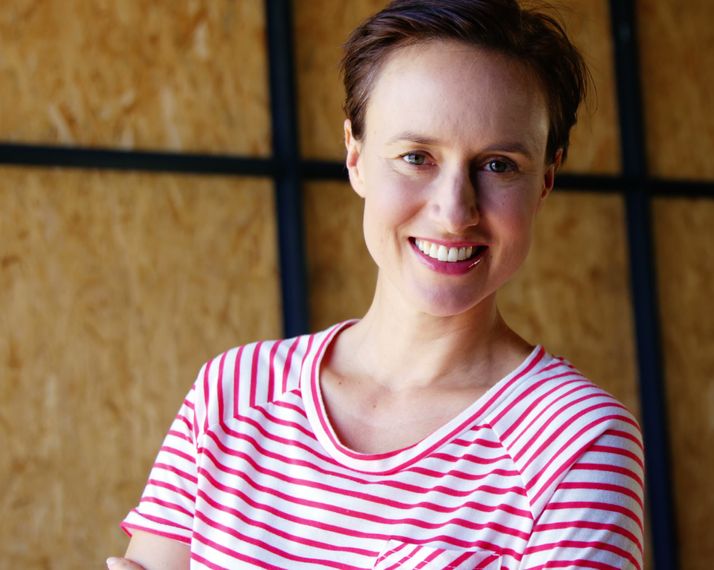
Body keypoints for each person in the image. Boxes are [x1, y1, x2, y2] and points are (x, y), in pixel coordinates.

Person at [108, 1, 644, 568]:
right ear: (356, 156)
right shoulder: (233, 394)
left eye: (498, 165)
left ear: (546, 179)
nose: (454, 211)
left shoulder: (576, 444)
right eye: (416, 157)